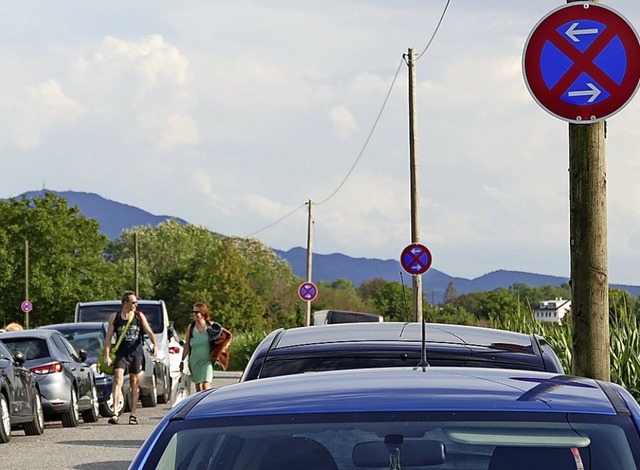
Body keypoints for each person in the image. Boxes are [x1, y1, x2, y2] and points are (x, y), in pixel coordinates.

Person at [104, 291, 158, 425]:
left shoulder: (139, 316)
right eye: (133, 302)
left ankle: (133, 414)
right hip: (121, 354)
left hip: (136, 353)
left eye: (136, 302)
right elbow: (109, 337)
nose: (136, 304)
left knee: (134, 382)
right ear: (125, 303)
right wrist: (107, 355)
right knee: (117, 380)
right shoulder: (115, 317)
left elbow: (150, 332)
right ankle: (115, 413)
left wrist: (155, 346)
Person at [180, 302, 215, 392]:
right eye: (193, 312)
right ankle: (201, 405)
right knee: (199, 388)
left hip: (207, 361)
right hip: (195, 361)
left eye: (196, 312)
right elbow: (187, 345)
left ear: (203, 314)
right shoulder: (191, 327)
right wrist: (182, 360)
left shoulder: (211, 326)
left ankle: (208, 404)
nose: (194, 314)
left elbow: (225, 336)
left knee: (206, 385)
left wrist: (222, 350)